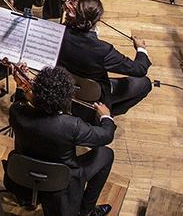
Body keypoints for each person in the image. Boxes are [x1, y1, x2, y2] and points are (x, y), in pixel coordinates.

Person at [7, 66, 115, 216]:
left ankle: (29, 197)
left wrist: (21, 85)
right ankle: (86, 211)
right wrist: (106, 117)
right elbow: (106, 136)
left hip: (23, 172)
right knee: (106, 154)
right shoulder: (71, 125)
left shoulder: (17, 113)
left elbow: (20, 102)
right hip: (61, 180)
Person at [58, 0, 150, 116]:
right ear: (98, 19)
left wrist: (68, 19)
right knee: (144, 84)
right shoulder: (103, 50)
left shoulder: (60, 34)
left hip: (63, 85)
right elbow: (140, 69)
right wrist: (141, 49)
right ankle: (106, 115)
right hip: (95, 93)